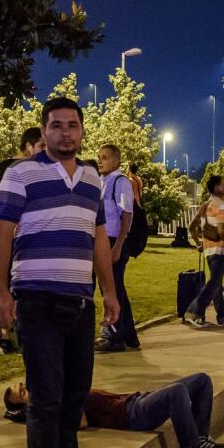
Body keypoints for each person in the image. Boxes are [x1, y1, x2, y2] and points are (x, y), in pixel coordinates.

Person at [0, 96, 119, 448]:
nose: (66, 132)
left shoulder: (91, 179)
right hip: (36, 297)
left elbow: (98, 238)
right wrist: (0, 292)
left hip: (79, 301)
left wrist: (110, 292)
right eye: (57, 125)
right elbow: (3, 234)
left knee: (75, 390)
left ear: (82, 131)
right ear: (44, 131)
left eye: (72, 125)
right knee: (46, 393)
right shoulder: (20, 174)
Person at [3, 373, 224, 448]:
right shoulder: (56, 406)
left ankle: (199, 436)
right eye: (22, 392)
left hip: (135, 399)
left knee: (201, 380)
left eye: (23, 385)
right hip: (132, 415)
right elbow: (80, 422)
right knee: (177, 391)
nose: (27, 387)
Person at [94, 144, 138, 353]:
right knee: (116, 288)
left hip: (113, 242)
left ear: (116, 161)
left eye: (105, 157)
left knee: (110, 289)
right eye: (99, 157)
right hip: (102, 241)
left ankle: (113, 336)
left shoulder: (120, 183)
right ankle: (129, 336)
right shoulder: (102, 182)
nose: (100, 161)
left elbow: (126, 215)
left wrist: (118, 246)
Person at [185, 174, 224, 327]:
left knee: (216, 284)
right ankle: (194, 312)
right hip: (220, 250)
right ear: (216, 188)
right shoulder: (221, 205)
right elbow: (222, 231)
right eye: (222, 185)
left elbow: (192, 227)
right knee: (214, 283)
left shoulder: (205, 205)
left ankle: (223, 315)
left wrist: (198, 243)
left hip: (208, 249)